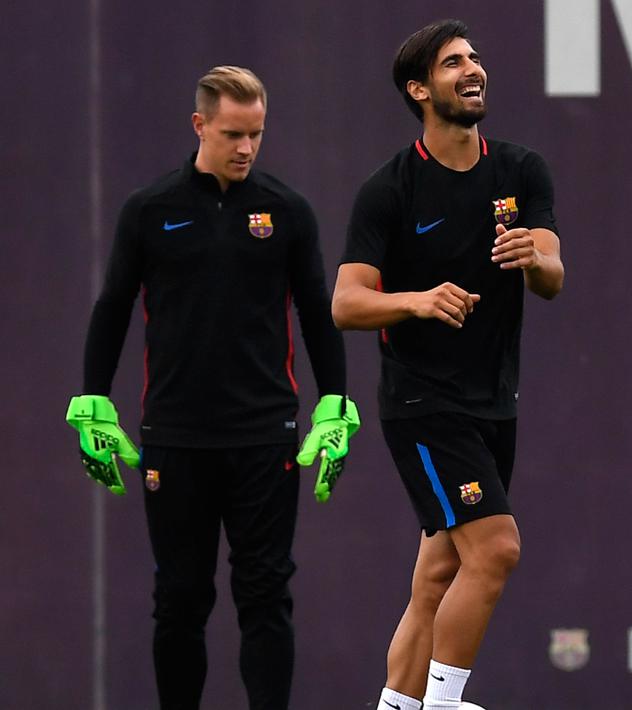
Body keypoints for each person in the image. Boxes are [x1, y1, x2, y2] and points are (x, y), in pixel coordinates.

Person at [65, 66, 359, 710]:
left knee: (266, 594)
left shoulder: (288, 212)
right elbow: (112, 306)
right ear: (199, 125)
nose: (246, 148)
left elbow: (318, 312)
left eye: (257, 134)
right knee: (179, 599)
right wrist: (92, 397)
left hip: (266, 437)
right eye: (232, 134)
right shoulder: (150, 211)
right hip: (175, 436)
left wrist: (335, 402)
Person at [330, 20, 564, 710]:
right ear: (419, 89)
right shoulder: (390, 189)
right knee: (495, 550)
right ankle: (441, 704)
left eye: (474, 58)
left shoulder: (521, 170)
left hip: (494, 401)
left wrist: (534, 258)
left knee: (438, 575)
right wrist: (417, 300)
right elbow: (345, 303)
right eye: (453, 63)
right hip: (423, 404)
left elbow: (552, 277)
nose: (472, 70)